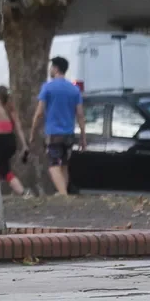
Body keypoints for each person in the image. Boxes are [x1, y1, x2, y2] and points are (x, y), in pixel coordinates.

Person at [29, 56, 86, 196]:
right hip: (69, 134)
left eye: (51, 67)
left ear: (55, 68)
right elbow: (80, 115)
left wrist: (32, 131)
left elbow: (40, 112)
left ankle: (64, 196)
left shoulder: (47, 87)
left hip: (54, 133)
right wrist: (83, 137)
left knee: (53, 166)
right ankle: (63, 192)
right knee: (64, 165)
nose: (50, 70)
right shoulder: (74, 90)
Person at [0, 86, 29, 197]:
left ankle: (22, 192)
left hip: (1, 142)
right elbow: (18, 128)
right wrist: (24, 145)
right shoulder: (12, 111)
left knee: (4, 170)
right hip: (11, 141)